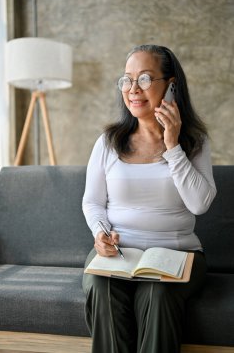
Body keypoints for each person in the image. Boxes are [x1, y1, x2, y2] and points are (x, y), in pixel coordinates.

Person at [82, 44, 217, 353]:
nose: (133, 89)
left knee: (157, 294)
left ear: (170, 86)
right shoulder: (108, 142)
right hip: (119, 254)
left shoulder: (194, 142)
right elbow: (92, 202)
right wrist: (101, 233)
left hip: (178, 253)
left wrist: (173, 147)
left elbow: (199, 204)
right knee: (101, 287)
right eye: (127, 79)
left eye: (144, 78)